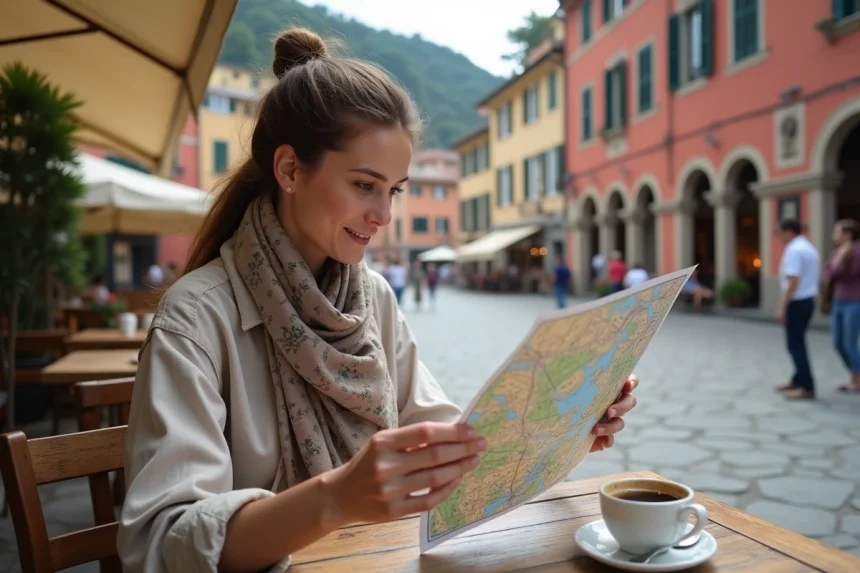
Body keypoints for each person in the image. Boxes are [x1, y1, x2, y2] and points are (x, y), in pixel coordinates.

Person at [116, 28, 640, 573]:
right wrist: (335, 497)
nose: (384, 215)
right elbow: (164, 541)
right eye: (365, 185)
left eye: (394, 190)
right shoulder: (196, 319)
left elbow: (446, 442)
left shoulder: (373, 297)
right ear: (290, 170)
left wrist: (570, 416)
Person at [775, 218, 820, 400]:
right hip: (807, 299)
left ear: (789, 231)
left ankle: (806, 387)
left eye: (778, 232)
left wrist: (781, 306)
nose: (776, 236)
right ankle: (797, 379)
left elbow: (793, 280)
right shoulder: (807, 247)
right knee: (797, 342)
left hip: (797, 301)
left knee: (796, 345)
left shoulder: (794, 250)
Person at [826, 219, 860, 393]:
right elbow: (830, 273)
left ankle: (856, 380)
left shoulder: (857, 252)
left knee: (850, 343)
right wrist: (839, 258)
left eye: (836, 232)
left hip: (854, 301)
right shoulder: (837, 252)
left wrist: (841, 260)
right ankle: (855, 375)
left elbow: (848, 275)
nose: (834, 236)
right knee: (838, 343)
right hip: (838, 300)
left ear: (847, 234)